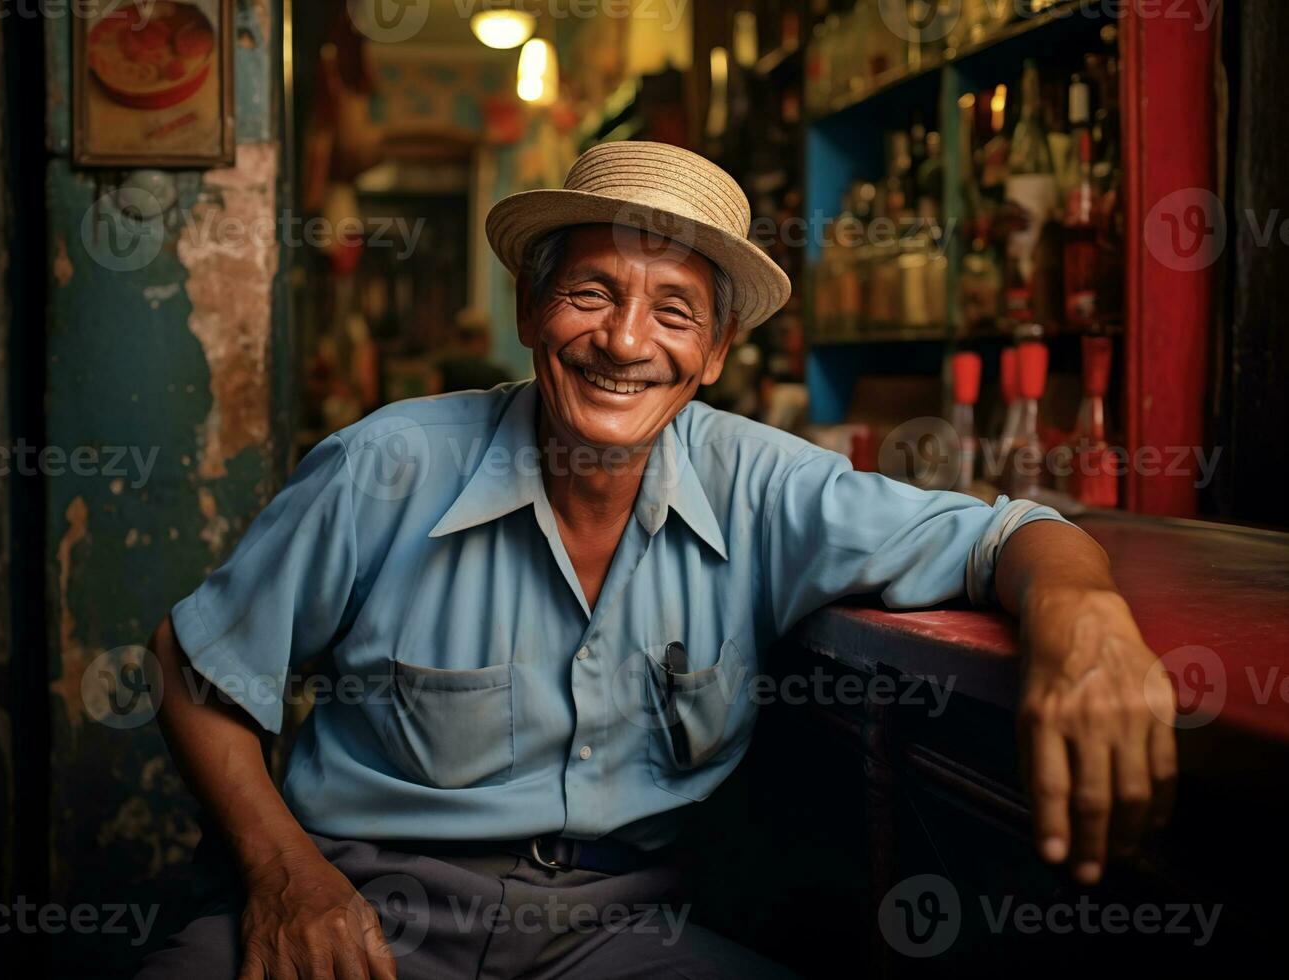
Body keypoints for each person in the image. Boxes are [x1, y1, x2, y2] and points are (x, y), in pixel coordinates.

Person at [137, 141, 1176, 979]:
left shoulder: (760, 480)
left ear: (714, 352)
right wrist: (285, 880)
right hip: (363, 910)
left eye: (673, 310)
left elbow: (1005, 535)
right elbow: (193, 667)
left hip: (616, 936)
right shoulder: (388, 465)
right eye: (589, 291)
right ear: (528, 311)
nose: (625, 340)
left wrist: (1083, 616)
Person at [428, 306, 514, 394]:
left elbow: (432, 398)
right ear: (485, 339)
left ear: (457, 337)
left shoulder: (443, 368)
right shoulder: (500, 376)